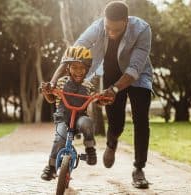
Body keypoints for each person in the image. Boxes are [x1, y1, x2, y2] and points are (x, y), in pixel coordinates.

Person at [48, 1, 153, 189]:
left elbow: (135, 68)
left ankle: (139, 169)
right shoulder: (98, 27)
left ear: (126, 22)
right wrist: (54, 80)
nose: (110, 33)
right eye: (108, 28)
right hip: (112, 73)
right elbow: (75, 51)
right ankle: (112, 142)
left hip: (138, 77)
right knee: (116, 121)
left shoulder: (142, 29)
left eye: (116, 30)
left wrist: (114, 90)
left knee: (141, 120)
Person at [40, 46, 102, 181]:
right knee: (60, 138)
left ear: (87, 69)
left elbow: (96, 98)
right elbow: (51, 98)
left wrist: (101, 99)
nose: (78, 71)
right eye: (74, 67)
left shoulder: (88, 85)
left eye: (81, 68)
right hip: (63, 117)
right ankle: (50, 167)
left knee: (87, 123)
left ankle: (90, 149)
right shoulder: (61, 82)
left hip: (79, 117)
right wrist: (47, 92)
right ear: (67, 68)